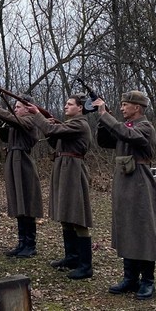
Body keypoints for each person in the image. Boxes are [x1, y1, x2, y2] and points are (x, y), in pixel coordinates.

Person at [93, 91, 156, 300]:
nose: (121, 108)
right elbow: (105, 141)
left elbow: (130, 136)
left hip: (140, 183)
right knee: (127, 228)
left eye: (125, 105)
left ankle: (148, 281)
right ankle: (130, 278)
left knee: (143, 229)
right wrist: (103, 120)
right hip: (123, 183)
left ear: (137, 107)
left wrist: (105, 115)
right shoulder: (126, 127)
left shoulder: (145, 127)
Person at [26, 94, 94, 280]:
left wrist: (37, 114)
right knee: (65, 214)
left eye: (70, 104)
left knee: (77, 217)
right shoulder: (69, 124)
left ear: (80, 108)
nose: (66, 106)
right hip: (63, 169)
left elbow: (49, 129)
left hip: (73, 170)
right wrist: (50, 125)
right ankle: (72, 257)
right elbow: (54, 138)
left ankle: (85, 265)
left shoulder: (79, 123)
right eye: (66, 103)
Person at [0, 95, 43, 258]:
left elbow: (15, 121)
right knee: (18, 202)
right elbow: (4, 134)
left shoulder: (30, 121)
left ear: (28, 109)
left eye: (19, 107)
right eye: (14, 107)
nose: (15, 109)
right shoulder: (15, 123)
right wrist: (2, 119)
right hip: (13, 163)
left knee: (27, 203)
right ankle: (22, 242)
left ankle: (30, 244)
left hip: (24, 163)